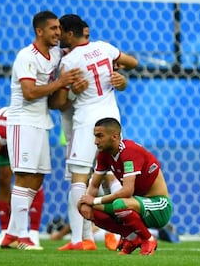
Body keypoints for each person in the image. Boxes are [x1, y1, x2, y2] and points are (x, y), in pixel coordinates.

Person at [48, 14, 138, 251]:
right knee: (110, 175)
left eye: (60, 32)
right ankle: (122, 234)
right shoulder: (105, 48)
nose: (57, 36)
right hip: (112, 118)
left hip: (87, 121)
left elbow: (58, 103)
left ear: (69, 34)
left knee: (79, 178)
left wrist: (70, 92)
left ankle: (80, 240)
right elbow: (132, 62)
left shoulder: (69, 61)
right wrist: (122, 79)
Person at [1, 10, 82, 250]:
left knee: (37, 177)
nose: (58, 33)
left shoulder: (55, 53)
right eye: (53, 29)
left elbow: (74, 52)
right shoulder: (25, 56)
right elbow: (29, 92)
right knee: (24, 177)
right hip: (22, 122)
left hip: (41, 122)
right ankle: (22, 236)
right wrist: (61, 82)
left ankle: (12, 233)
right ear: (39, 31)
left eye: (59, 28)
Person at [78, 117, 173, 256]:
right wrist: (87, 202)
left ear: (115, 136)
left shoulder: (129, 152)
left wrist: (95, 200)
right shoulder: (104, 155)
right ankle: (132, 238)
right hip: (135, 204)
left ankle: (149, 239)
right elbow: (93, 186)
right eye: (95, 136)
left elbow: (127, 191)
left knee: (120, 204)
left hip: (159, 206)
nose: (95, 141)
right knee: (84, 207)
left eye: (100, 136)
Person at [0, 107, 44, 246]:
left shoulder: (10, 136)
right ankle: (6, 232)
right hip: (5, 133)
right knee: (3, 179)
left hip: (22, 131)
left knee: (30, 179)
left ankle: (33, 233)